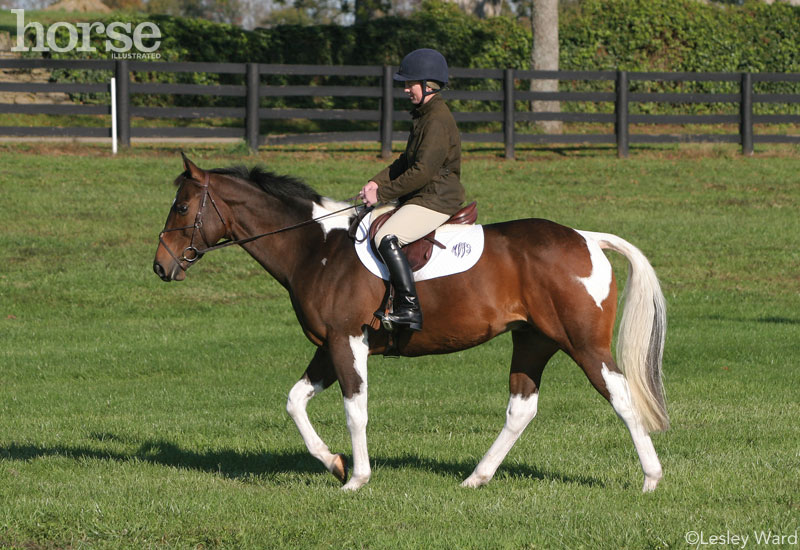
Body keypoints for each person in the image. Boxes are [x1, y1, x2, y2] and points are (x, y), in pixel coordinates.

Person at [359, 48, 465, 332]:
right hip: (425, 193)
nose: (405, 89)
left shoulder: (436, 120)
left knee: (386, 235)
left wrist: (381, 195)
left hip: (436, 197)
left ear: (428, 85)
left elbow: (422, 172)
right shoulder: (424, 115)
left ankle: (408, 308)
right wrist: (376, 182)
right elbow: (406, 161)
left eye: (410, 83)